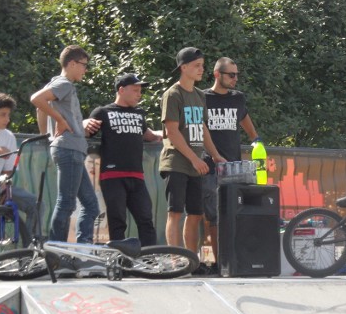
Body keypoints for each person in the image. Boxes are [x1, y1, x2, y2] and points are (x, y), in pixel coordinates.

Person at [159, 47, 225, 265]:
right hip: (177, 162)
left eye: (203, 65)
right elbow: (172, 132)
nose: (201, 69)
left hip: (196, 165)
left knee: (195, 214)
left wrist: (215, 155)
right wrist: (195, 159)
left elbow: (203, 128)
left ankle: (191, 261)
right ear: (183, 67)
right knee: (175, 213)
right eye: (197, 65)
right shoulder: (173, 94)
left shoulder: (199, 95)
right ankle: (176, 260)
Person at [30, 45, 100, 244]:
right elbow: (36, 100)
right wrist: (60, 121)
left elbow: (41, 108)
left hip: (71, 149)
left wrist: (47, 136)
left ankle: (81, 252)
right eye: (84, 65)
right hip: (69, 149)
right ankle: (55, 253)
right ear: (72, 63)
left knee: (91, 205)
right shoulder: (65, 84)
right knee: (66, 203)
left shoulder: (56, 84)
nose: (85, 70)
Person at [83, 73, 162, 246]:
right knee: (117, 221)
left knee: (146, 219)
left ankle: (149, 259)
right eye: (135, 90)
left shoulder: (139, 113)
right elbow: (86, 132)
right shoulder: (103, 112)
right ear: (121, 90)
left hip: (136, 176)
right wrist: (83, 123)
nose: (139, 94)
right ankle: (120, 260)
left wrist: (168, 133)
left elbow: (149, 135)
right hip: (112, 175)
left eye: (140, 91)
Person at [202, 57, 260, 271]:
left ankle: (236, 259)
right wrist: (214, 155)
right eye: (231, 75)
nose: (235, 79)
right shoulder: (203, 97)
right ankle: (218, 262)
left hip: (235, 167)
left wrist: (256, 139)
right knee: (214, 217)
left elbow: (243, 116)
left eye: (237, 75)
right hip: (210, 165)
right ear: (217, 74)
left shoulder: (238, 98)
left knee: (237, 214)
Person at [0, 92, 42, 234]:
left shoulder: (8, 136)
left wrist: (4, 183)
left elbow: (7, 171)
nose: (7, 119)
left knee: (36, 205)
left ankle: (29, 248)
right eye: (3, 114)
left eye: (8, 115)